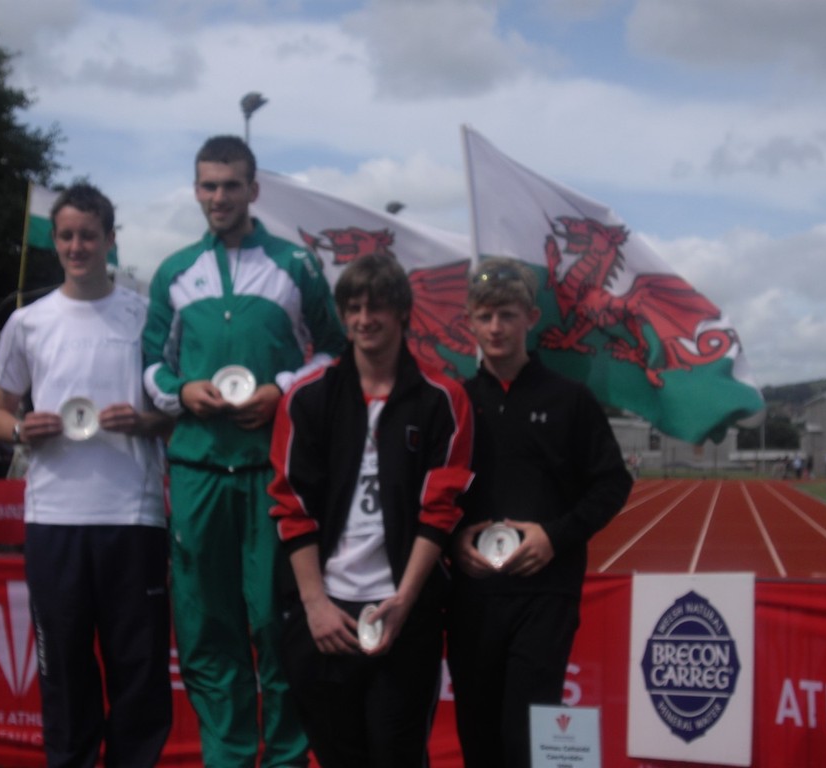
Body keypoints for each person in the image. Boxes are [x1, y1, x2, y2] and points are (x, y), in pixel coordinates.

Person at [142, 135, 346, 767]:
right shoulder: (175, 272)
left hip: (272, 474)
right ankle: (227, 757)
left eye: (231, 185)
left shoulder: (296, 265)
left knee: (276, 625)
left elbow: (333, 352)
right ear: (195, 190)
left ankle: (286, 759)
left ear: (254, 190)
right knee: (208, 628)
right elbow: (150, 364)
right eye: (208, 185)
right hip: (198, 472)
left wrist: (282, 390)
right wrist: (183, 391)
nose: (219, 197)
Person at [0, 183, 173, 767]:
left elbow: (172, 415)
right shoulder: (28, 322)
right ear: (54, 240)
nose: (76, 246)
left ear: (110, 240)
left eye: (88, 236)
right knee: (64, 669)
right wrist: (23, 429)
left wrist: (143, 422)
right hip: (54, 517)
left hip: (133, 516)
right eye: (66, 236)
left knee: (138, 671)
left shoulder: (145, 316)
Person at [268, 254, 474, 766]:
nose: (365, 319)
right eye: (354, 308)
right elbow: (291, 505)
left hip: (402, 613)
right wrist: (315, 604)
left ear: (402, 312)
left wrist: (405, 601)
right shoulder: (306, 399)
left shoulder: (442, 399)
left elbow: (440, 509)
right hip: (325, 614)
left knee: (398, 754)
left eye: (377, 307)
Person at [446, 257, 634, 768]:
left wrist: (555, 536)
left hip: (545, 596)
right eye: (485, 316)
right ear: (469, 322)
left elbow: (613, 482)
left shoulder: (570, 399)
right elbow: (432, 495)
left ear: (530, 318)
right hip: (471, 598)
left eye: (507, 315)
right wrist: (454, 541)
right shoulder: (453, 403)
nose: (496, 327)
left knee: (527, 739)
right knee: (479, 738)